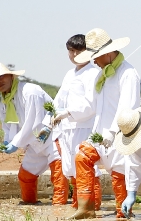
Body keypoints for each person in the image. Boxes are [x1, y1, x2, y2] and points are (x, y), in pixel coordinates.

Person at [69, 29, 140, 219]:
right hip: (99, 135)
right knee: (82, 156)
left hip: (119, 138)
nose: (93, 61)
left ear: (107, 54)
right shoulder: (102, 74)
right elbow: (92, 105)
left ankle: (124, 220)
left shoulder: (128, 73)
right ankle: (86, 208)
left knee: (120, 180)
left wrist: (112, 132)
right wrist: (67, 113)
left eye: (95, 57)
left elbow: (128, 108)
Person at [0, 62, 67, 205]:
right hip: (34, 143)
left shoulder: (30, 91)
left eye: (2, 76)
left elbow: (33, 122)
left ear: (11, 76)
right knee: (25, 175)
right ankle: (30, 203)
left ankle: (59, 210)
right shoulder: (4, 103)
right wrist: (7, 141)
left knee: (58, 175)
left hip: (52, 137)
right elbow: (8, 126)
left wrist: (15, 143)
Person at [39, 34, 101, 210]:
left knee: (86, 166)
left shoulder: (93, 73)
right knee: (70, 168)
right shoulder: (69, 74)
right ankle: (78, 205)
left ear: (87, 52)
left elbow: (90, 103)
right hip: (66, 128)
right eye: (71, 51)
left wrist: (67, 113)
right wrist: (47, 124)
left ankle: (92, 205)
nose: (73, 55)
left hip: (83, 126)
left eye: (78, 51)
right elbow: (58, 101)